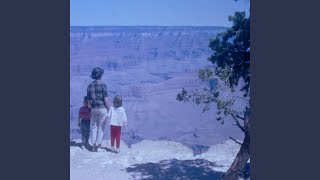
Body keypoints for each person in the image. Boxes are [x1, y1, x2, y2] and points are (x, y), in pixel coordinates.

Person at [87, 67, 111, 152]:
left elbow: (88, 100)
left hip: (93, 108)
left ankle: (93, 146)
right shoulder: (103, 85)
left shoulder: (89, 86)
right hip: (102, 108)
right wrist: (109, 109)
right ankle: (99, 146)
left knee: (93, 127)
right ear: (100, 75)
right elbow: (105, 98)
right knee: (100, 128)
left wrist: (91, 107)